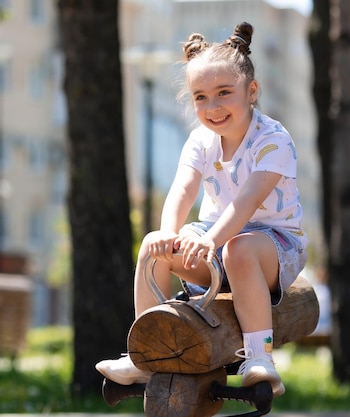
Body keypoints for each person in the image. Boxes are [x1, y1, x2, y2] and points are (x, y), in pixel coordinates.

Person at [96, 22, 308, 398]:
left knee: (240, 247)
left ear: (251, 91)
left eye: (224, 93)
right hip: (216, 239)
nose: (212, 107)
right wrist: (167, 233)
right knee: (151, 248)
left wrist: (211, 240)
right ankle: (145, 354)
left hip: (273, 246)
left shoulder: (273, 140)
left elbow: (245, 205)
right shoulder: (200, 140)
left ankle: (261, 358)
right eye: (201, 97)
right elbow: (183, 188)